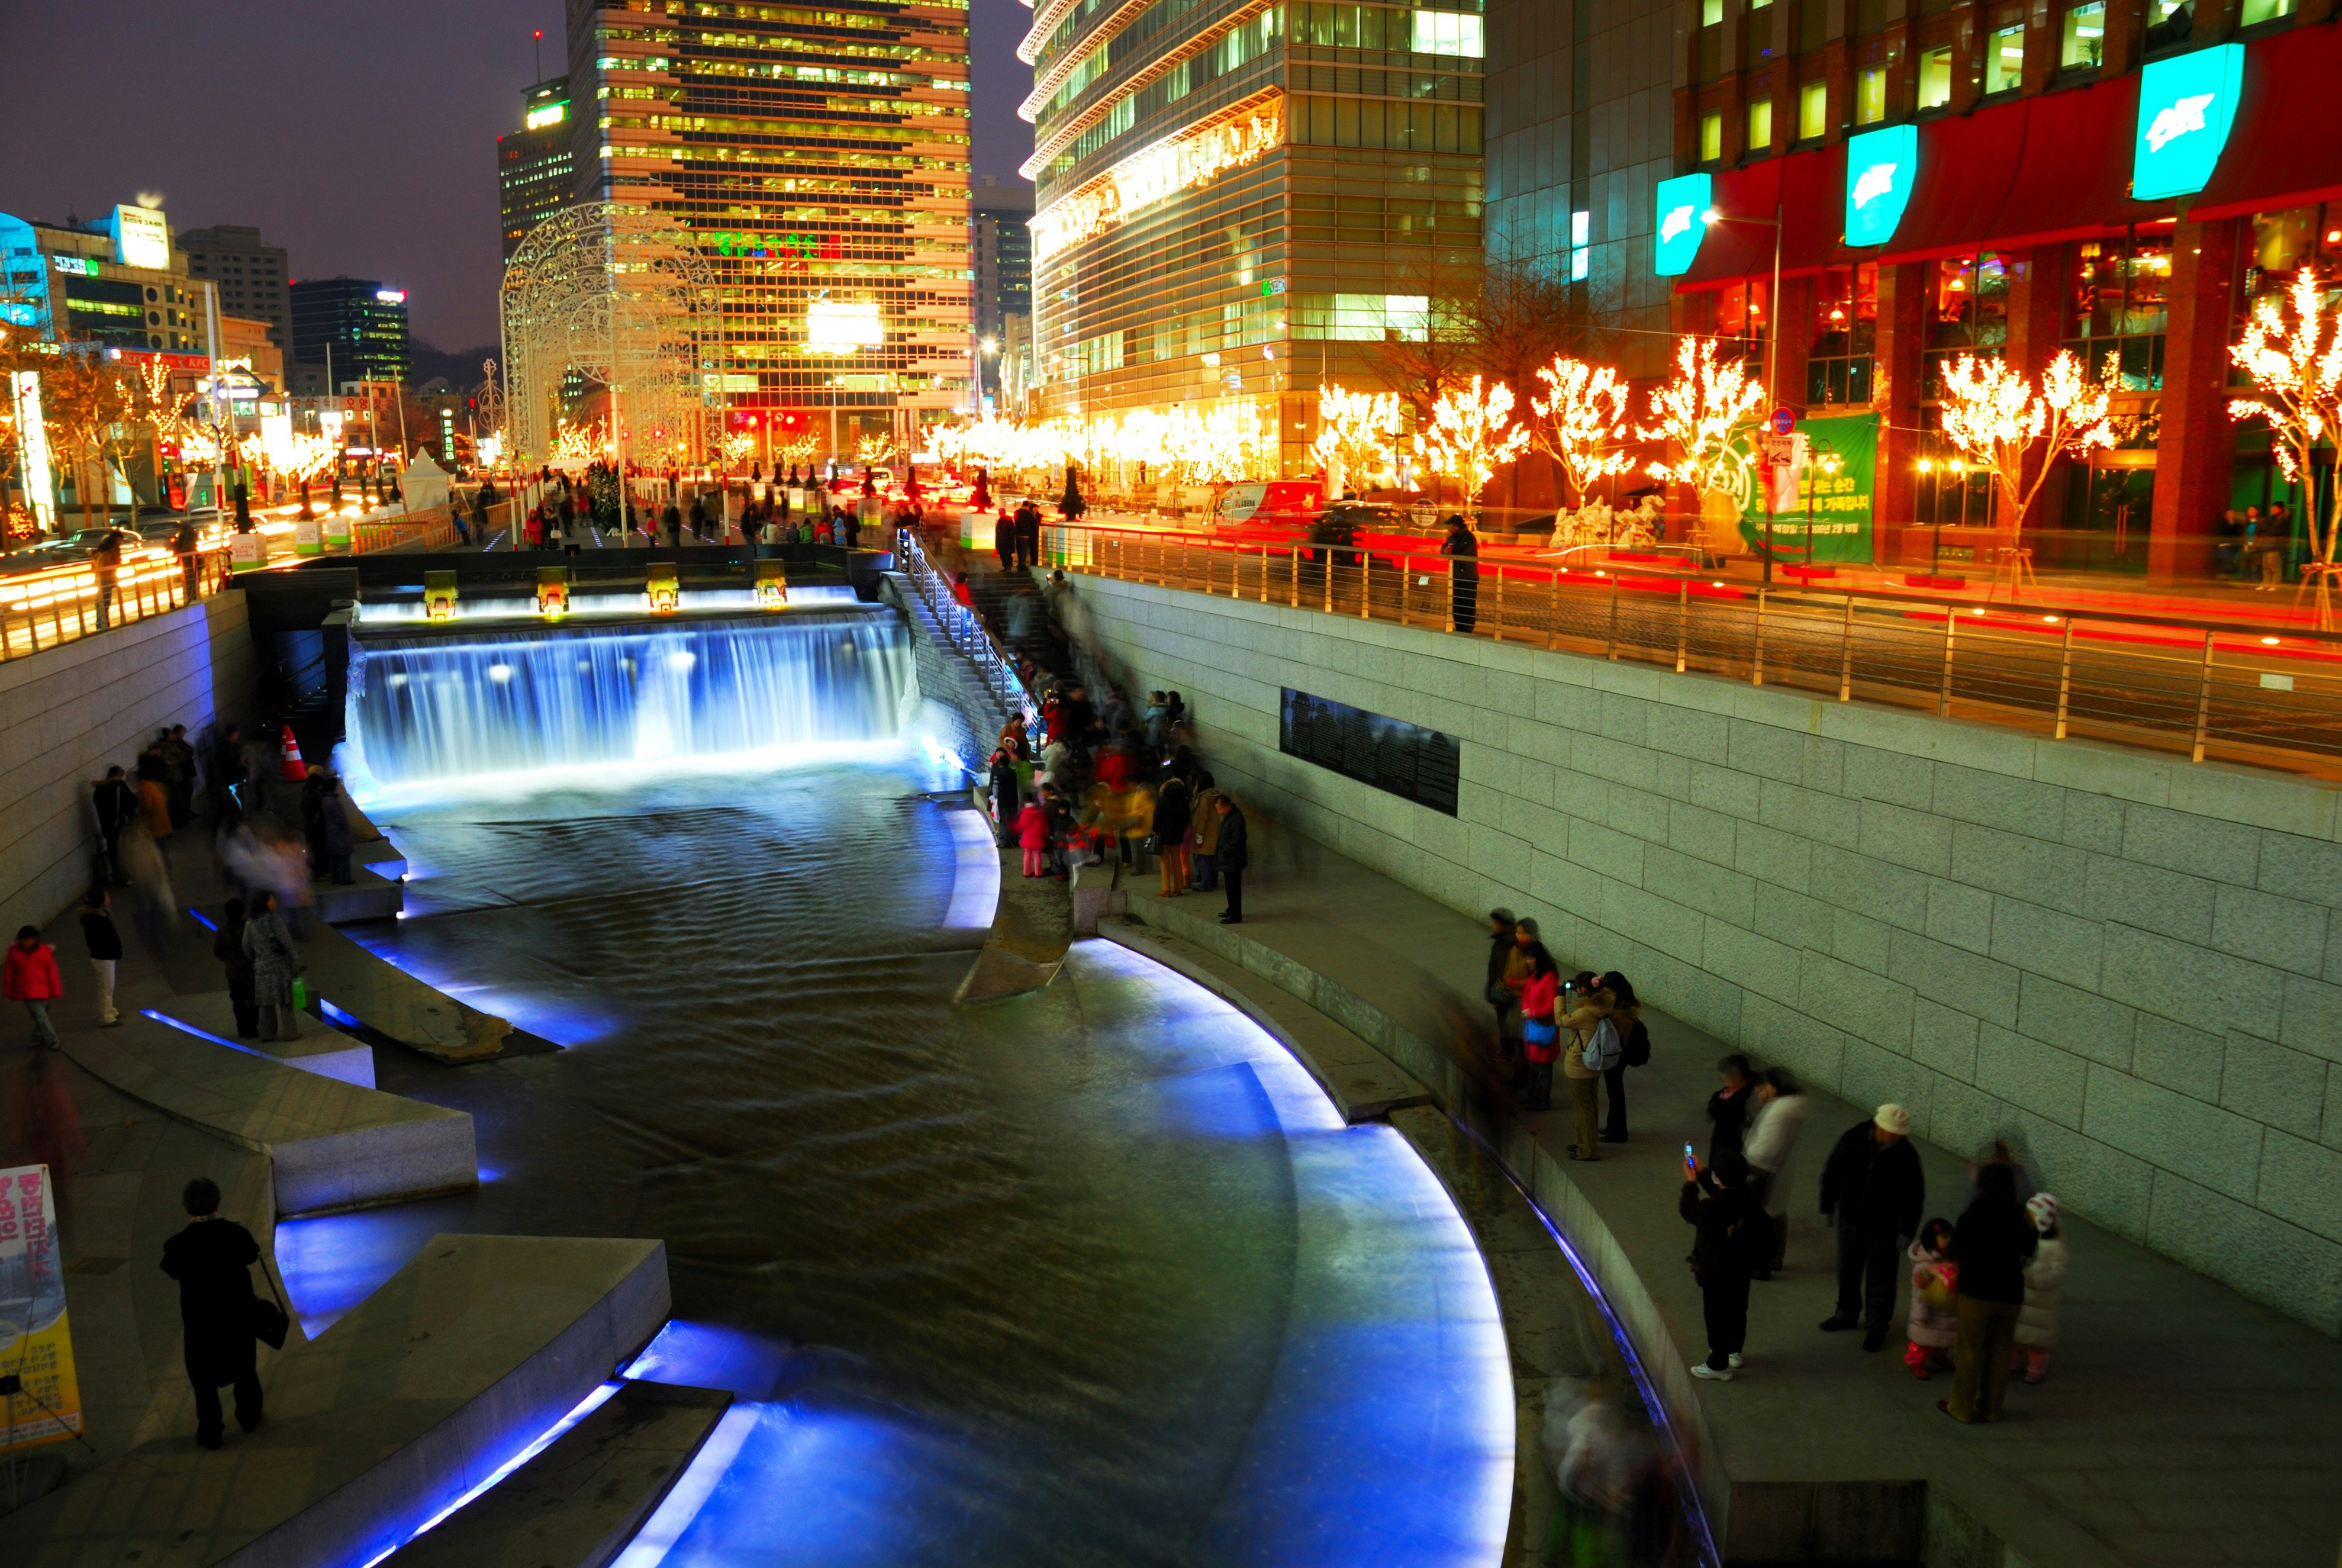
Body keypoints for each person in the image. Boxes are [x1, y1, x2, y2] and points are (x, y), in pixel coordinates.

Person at [159, 1176, 266, 1448]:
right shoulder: (237, 1235)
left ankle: (211, 1432)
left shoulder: (177, 1245)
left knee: (203, 1381)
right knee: (245, 1370)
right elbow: (252, 1256)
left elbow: (170, 1269)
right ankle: (249, 1417)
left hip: (201, 1325)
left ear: (186, 1208)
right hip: (238, 1319)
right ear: (218, 1202)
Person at [1818, 1103, 1926, 1352]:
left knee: (1882, 1279)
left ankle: (1876, 1327)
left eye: (1901, 1134)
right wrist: (1828, 1204)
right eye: (1893, 1133)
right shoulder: (1853, 1141)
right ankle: (1846, 1314)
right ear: (1879, 1128)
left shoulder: (1906, 1154)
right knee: (1847, 1271)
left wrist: (1907, 1230)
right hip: (1851, 1220)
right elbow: (1833, 1172)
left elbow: (1914, 1196)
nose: (1898, 1137)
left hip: (1884, 1227)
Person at [1941, 1163, 2037, 1424]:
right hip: (2010, 1294)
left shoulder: (1972, 1216)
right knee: (2000, 1353)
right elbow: (2029, 1251)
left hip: (1977, 1293)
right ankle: (1992, 1409)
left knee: (1970, 1352)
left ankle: (1961, 1408)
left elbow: (1955, 1253)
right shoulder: (2022, 1217)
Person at [1680, 1148, 1766, 1381]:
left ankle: (1717, 1365)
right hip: (1742, 1266)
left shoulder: (1711, 1208)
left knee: (1715, 1316)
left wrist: (1690, 1182)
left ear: (1719, 1178)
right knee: (1738, 1309)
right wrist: (1702, 1173)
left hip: (1716, 1271)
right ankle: (1734, 1351)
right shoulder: (1747, 1194)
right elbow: (1722, 1191)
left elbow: (1689, 1211)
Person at [1741, 1068, 1809, 1278]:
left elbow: (1764, 1150)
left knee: (1763, 1220)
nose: (1759, 1094)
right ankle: (1776, 1259)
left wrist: (1745, 1160)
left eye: (1761, 1089)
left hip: (1765, 1175)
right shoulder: (1791, 1107)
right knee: (1777, 1213)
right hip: (1780, 1172)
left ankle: (1764, 1263)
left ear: (1772, 1087)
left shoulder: (1779, 1113)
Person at [1558, 973, 1618, 1160]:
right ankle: (1586, 1143)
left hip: (1580, 1064)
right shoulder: (1604, 1006)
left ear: (1583, 989)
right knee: (1590, 1106)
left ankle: (1588, 1150)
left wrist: (1560, 997)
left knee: (1584, 1109)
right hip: (1594, 1062)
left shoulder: (1585, 1012)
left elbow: (1561, 1020)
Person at [2011, 1194, 2066, 1386]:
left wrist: (2034, 1280)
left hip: (2041, 1300)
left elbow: (2057, 1274)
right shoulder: (2029, 1235)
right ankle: (2014, 1363)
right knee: (2017, 1336)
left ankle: (2036, 1370)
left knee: (2038, 1342)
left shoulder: (2055, 1246)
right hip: (2027, 1297)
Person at [242, 889, 302, 1042]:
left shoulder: (250, 923)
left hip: (261, 968)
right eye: (271, 900)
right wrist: (295, 964)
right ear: (264, 903)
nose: (275, 902)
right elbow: (288, 945)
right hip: (279, 967)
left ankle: (267, 1034)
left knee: (266, 1004)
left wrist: (258, 958)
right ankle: (290, 1033)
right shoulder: (275, 920)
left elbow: (245, 946)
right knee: (285, 1002)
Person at [1903, 1218, 1959, 1380]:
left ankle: (1939, 1355)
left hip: (1946, 1310)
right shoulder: (1925, 1266)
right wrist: (1921, 1315)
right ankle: (1916, 1362)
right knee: (1923, 1342)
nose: (1949, 1240)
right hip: (1929, 1314)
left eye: (1950, 1236)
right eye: (1944, 1237)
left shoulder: (1951, 1259)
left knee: (1943, 1339)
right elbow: (1919, 1295)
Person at [1515, 944, 1561, 1112]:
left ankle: (1541, 1101)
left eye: (1531, 958)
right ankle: (1533, 1097)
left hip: (1543, 1029)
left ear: (1539, 959)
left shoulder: (1549, 978)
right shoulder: (1534, 976)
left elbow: (1551, 1006)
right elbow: (1527, 994)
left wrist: (1532, 1012)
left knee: (1542, 1069)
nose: (1528, 961)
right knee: (1533, 1066)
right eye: (1526, 958)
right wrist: (1527, 1010)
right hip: (1533, 1027)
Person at [5, 926, 63, 1049]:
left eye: (31, 939)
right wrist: (8, 990)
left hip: (43, 989)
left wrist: (54, 988)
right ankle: (53, 1039)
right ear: (20, 940)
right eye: (26, 939)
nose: (29, 942)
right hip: (26, 991)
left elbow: (51, 971)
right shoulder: (14, 953)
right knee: (41, 1016)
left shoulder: (44, 951)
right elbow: (9, 973)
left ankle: (37, 1038)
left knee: (41, 1016)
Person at [1597, 969, 1638, 1143]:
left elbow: (1614, 1036)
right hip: (1621, 1055)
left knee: (1615, 1095)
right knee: (1615, 1093)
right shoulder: (1626, 1007)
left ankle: (1618, 1132)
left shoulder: (1620, 1014)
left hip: (1618, 1057)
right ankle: (1612, 1127)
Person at [215, 897, 259, 1038]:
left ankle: (242, 1027)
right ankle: (252, 1027)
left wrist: (227, 959)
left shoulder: (223, 930)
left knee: (238, 1001)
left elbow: (218, 951)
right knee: (252, 999)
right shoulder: (249, 927)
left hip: (233, 972)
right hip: (250, 970)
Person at [80, 891, 123, 1027]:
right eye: (107, 896)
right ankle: (106, 1017)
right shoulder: (95, 920)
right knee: (105, 988)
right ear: (101, 901)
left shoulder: (100, 916)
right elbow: (97, 940)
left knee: (109, 986)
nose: (109, 898)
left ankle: (110, 1010)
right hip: (103, 956)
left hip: (107, 955)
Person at [93, 765, 138, 885]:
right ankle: (123, 878)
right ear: (118, 776)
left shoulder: (98, 789)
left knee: (114, 853)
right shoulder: (119, 787)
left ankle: (118, 877)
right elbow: (133, 803)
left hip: (107, 826)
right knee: (122, 853)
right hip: (119, 826)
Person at [1483, 909, 1522, 1048]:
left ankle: (1508, 1053)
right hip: (1509, 991)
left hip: (1505, 992)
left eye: (1496, 924)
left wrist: (1497, 996)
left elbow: (1499, 972)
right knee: (1512, 1027)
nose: (1493, 926)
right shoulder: (1506, 942)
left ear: (1503, 926)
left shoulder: (1504, 945)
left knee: (1507, 1026)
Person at [1706, 1054, 1755, 1158]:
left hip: (1736, 1147)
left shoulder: (1749, 1097)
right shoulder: (1724, 1094)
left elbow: (1738, 1119)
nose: (1727, 1081)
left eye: (1730, 1076)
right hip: (1722, 1142)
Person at [1152, 771, 1191, 895]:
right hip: (1178, 835)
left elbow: (1157, 818)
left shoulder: (1163, 800)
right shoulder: (1184, 801)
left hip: (1164, 835)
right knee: (1177, 861)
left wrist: (1156, 829)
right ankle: (1179, 887)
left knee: (1164, 862)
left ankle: (1166, 889)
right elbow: (1187, 818)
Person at [1440, 514, 1480, 633]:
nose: (1448, 529)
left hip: (1468, 577)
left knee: (1468, 604)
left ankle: (1467, 629)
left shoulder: (1468, 537)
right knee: (1457, 604)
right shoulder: (1455, 537)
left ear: (1456, 526)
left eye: (1450, 526)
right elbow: (1443, 550)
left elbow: (1457, 551)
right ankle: (1459, 628)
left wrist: (1450, 541)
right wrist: (1446, 548)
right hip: (1457, 576)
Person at [1213, 794, 1248, 923]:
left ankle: (1235, 915)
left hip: (1233, 860)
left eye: (1219, 809)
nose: (1218, 812)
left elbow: (1238, 840)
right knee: (1230, 887)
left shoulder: (1236, 819)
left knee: (1234, 888)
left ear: (1227, 806)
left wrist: (1225, 850)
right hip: (1230, 860)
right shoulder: (1230, 817)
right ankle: (1231, 910)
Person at [1190, 771, 1223, 892]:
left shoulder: (1204, 798)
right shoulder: (1216, 794)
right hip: (1215, 832)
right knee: (1212, 860)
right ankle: (1213, 883)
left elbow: (1202, 818)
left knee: (1205, 861)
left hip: (1206, 834)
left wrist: (1199, 836)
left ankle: (1205, 885)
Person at [92, 526, 123, 629]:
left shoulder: (99, 554)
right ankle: (102, 625)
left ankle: (102, 624)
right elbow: (110, 566)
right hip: (105, 581)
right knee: (105, 603)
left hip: (101, 580)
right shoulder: (107, 555)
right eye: (119, 541)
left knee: (101, 603)